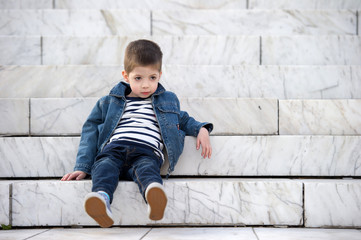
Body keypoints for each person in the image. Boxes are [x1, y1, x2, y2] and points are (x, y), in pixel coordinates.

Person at [61, 39, 213, 228]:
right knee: (103, 166)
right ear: (126, 76)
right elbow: (90, 131)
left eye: (152, 78)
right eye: (138, 78)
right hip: (114, 148)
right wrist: (83, 165)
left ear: (160, 75)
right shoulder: (109, 102)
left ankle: (153, 195)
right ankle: (101, 199)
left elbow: (183, 120)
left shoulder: (168, 101)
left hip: (147, 151)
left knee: (147, 169)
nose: (146, 85)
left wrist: (202, 129)